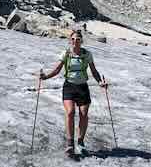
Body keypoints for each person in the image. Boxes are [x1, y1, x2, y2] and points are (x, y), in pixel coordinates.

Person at [40, 29, 107, 157]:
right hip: (69, 86)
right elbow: (57, 69)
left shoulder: (87, 54)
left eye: (78, 39)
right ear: (70, 41)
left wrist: (100, 82)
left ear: (81, 41)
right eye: (73, 39)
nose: (75, 41)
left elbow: (94, 71)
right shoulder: (66, 53)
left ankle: (80, 143)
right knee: (70, 112)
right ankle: (70, 143)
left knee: (83, 114)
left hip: (82, 87)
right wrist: (45, 77)